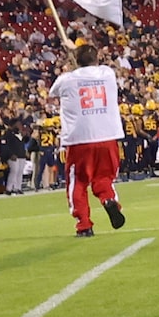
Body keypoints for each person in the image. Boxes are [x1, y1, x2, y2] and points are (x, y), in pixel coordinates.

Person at [52, 41, 126, 238]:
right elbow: (89, 68)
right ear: (97, 58)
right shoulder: (108, 74)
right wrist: (75, 52)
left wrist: (71, 62)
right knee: (104, 178)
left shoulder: (66, 79)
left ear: (76, 60)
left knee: (78, 182)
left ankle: (84, 224)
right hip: (108, 135)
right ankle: (108, 199)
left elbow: (53, 93)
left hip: (80, 139)